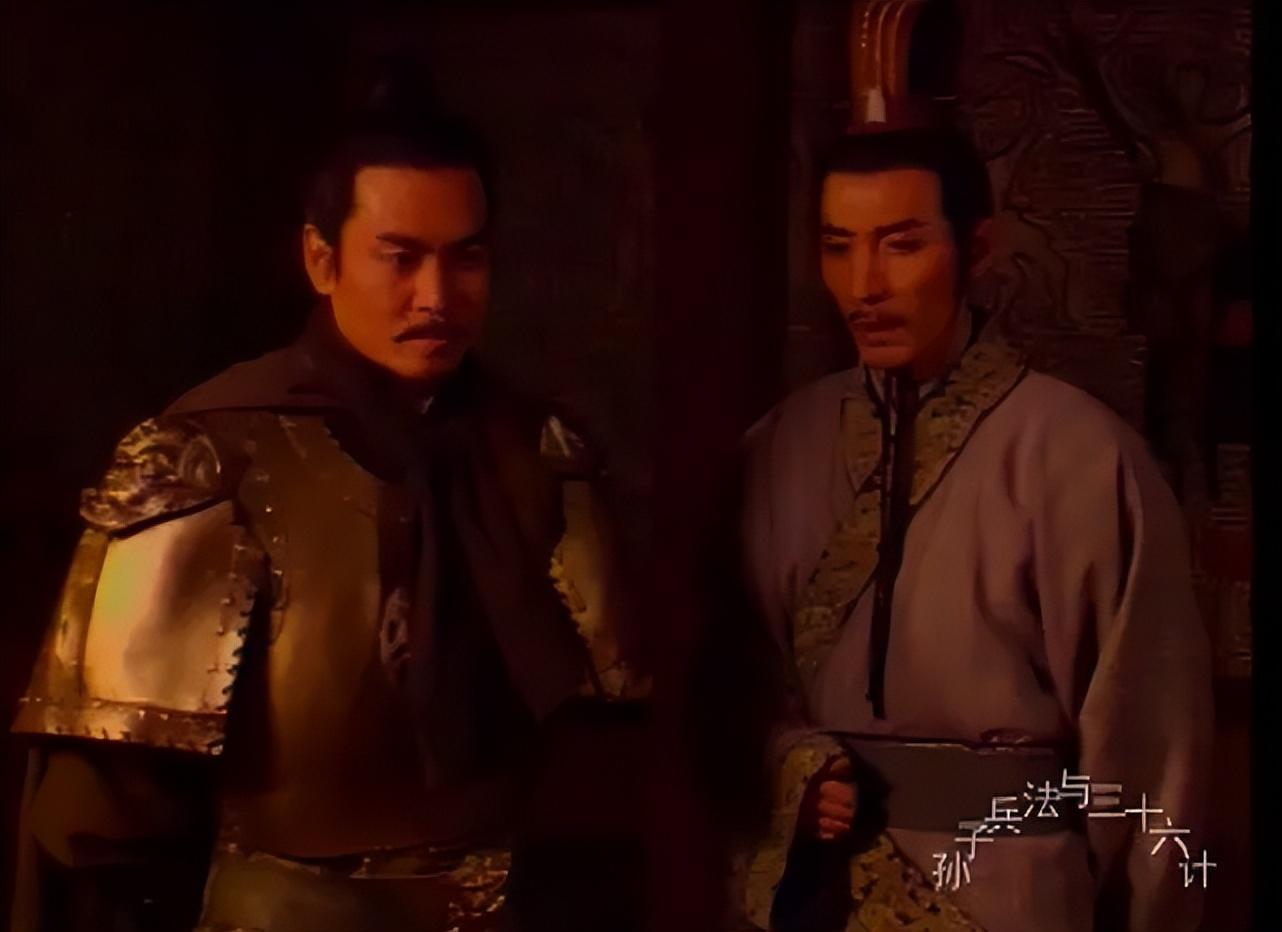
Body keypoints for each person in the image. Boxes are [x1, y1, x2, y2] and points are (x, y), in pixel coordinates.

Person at [10, 87, 642, 932]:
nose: (437, 296)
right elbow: (102, 818)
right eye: (400, 258)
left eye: (466, 259)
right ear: (321, 259)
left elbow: (604, 762)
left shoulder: (543, 459)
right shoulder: (208, 462)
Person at [733, 121, 1214, 932]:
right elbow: (727, 690)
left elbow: (1154, 754)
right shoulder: (774, 451)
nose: (865, 285)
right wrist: (795, 769)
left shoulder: (1084, 459)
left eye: (901, 245)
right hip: (817, 894)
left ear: (977, 247)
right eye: (839, 247)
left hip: (1011, 896)